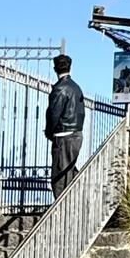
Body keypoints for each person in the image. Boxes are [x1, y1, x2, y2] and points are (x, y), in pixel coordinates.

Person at [45, 54, 86, 199]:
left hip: (63, 136)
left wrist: (50, 133)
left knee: (59, 175)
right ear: (70, 67)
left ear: (55, 68)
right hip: (76, 134)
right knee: (69, 171)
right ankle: (74, 203)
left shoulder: (60, 89)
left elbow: (54, 114)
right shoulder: (76, 88)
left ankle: (61, 210)